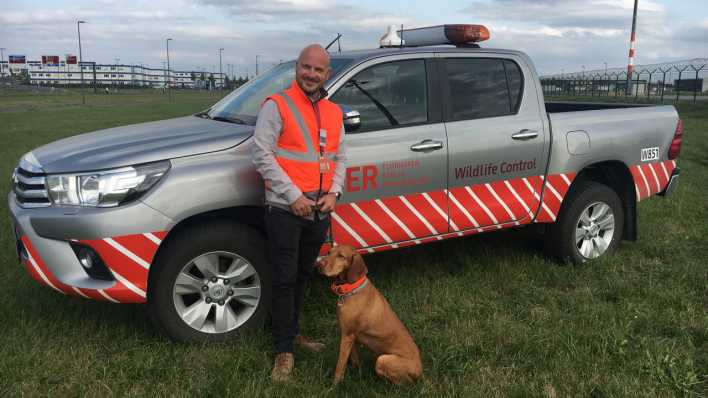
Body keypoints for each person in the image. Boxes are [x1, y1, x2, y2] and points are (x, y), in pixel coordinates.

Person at [252, 44, 347, 383]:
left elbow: (339, 158)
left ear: (327, 75)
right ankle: (283, 350)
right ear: (297, 68)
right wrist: (292, 196)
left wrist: (334, 192)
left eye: (318, 70)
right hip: (286, 208)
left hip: (319, 209)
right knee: (284, 277)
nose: (311, 74)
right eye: (306, 67)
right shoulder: (277, 105)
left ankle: (293, 334)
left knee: (304, 275)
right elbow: (261, 154)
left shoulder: (335, 112)